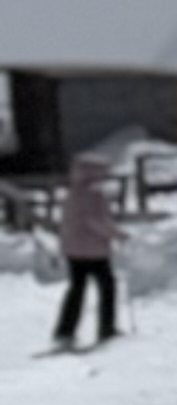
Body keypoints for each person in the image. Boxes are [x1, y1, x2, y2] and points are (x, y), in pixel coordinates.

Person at [51, 147, 122, 351]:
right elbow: (97, 221)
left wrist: (63, 245)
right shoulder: (95, 193)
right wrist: (117, 234)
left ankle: (65, 330)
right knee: (107, 287)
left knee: (77, 289)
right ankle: (107, 327)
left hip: (74, 250)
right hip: (94, 250)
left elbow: (66, 223)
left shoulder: (72, 193)